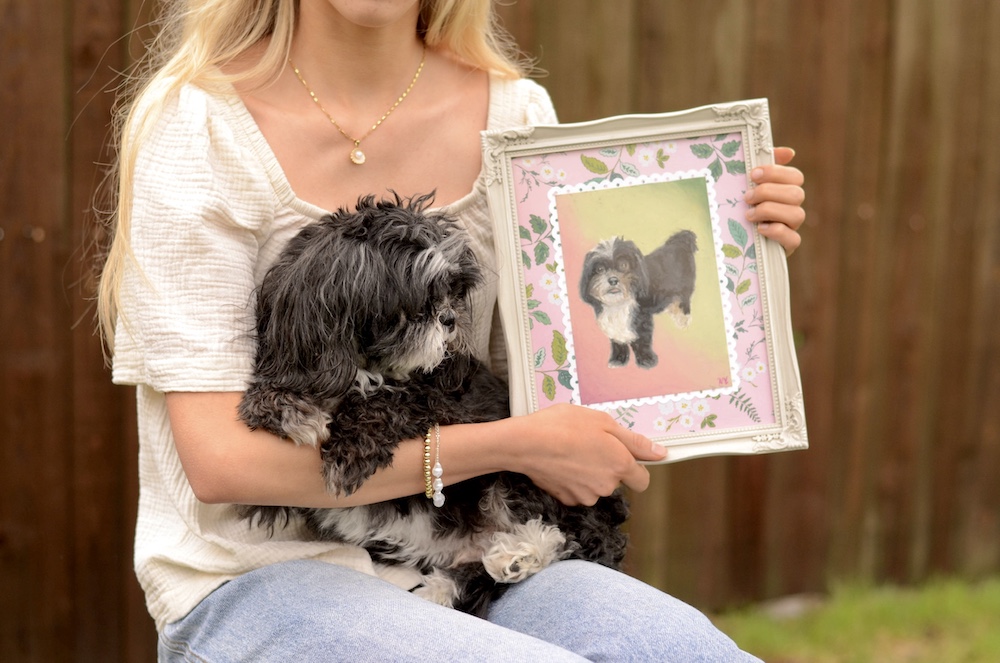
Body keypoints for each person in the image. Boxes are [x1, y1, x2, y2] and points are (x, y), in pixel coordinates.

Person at [97, 1, 806, 660]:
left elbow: (557, 375)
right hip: (255, 576)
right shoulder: (197, 125)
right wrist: (506, 444)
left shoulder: (517, 116)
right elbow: (221, 462)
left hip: (477, 556)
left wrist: (734, 233)